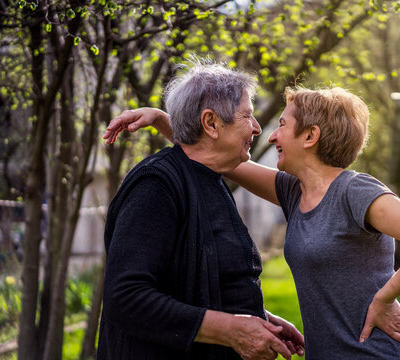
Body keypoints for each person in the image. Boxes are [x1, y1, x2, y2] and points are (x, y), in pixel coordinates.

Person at [106, 86, 400, 359]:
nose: (271, 136)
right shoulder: (294, 192)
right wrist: (162, 119)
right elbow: (223, 157)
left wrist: (384, 298)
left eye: (283, 126)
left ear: (310, 136)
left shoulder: (354, 190)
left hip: (375, 353)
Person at [98, 62, 305, 360]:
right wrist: (231, 329)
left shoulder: (207, 177)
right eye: (247, 115)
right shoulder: (156, 184)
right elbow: (127, 297)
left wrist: (258, 318)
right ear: (211, 124)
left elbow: (198, 280)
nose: (257, 128)